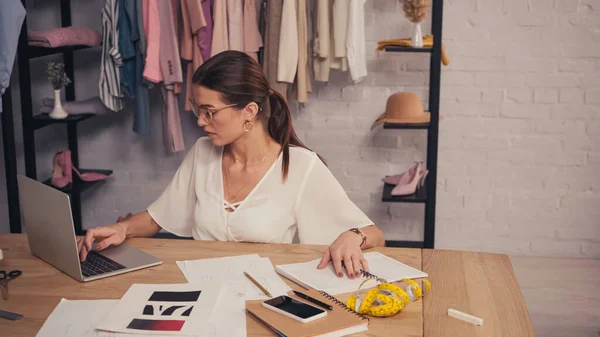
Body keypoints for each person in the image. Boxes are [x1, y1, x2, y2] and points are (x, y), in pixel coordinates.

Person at [78, 50, 385, 279]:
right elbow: (160, 216)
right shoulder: (202, 153)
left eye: (210, 112)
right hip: (196, 288)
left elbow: (374, 234)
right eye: (198, 110)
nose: (200, 121)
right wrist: (120, 228)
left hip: (265, 297)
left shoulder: (301, 167)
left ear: (249, 111)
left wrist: (352, 235)